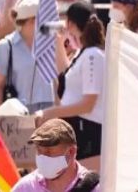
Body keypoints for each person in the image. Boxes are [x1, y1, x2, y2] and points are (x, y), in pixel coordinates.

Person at [37, 9, 106, 172]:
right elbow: (66, 75)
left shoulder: (92, 55)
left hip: (89, 128)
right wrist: (58, 43)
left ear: (71, 24)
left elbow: (88, 104)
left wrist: (51, 113)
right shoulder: (82, 53)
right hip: (77, 127)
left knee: (84, 182)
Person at [0, 0, 55, 113]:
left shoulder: (51, 43)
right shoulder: (5, 46)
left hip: (49, 110)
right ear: (31, 21)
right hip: (18, 112)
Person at [12, 118, 100, 192]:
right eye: (39, 150)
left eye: (48, 151)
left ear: (71, 152)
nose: (43, 158)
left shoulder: (95, 188)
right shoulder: (25, 187)